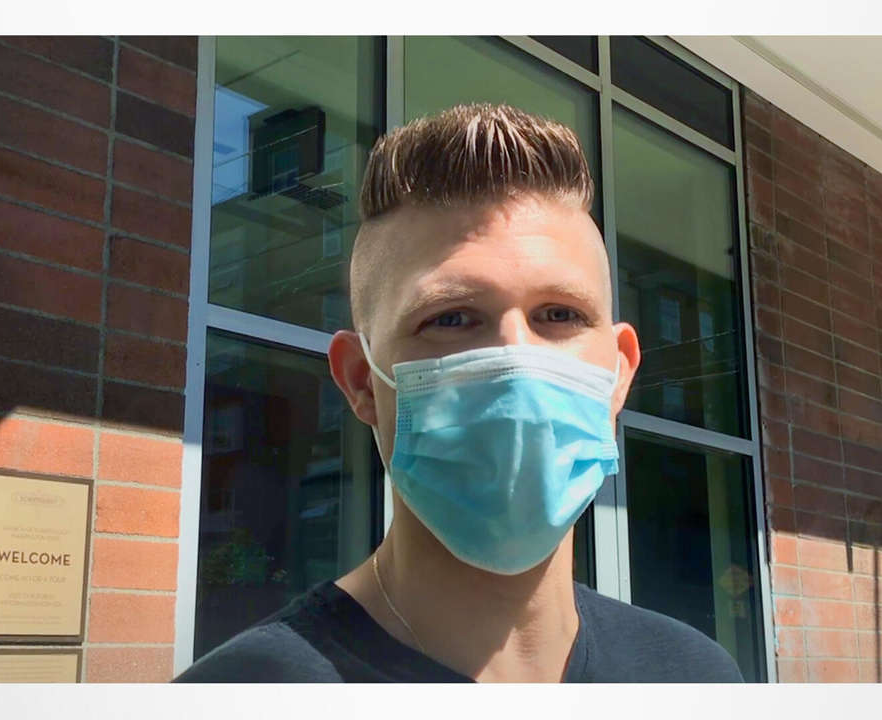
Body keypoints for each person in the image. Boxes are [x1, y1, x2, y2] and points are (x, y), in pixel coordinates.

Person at [174, 103, 743, 683]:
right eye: (451, 318)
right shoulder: (242, 692)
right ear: (361, 380)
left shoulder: (699, 679)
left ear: (619, 374)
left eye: (559, 314)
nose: (517, 361)